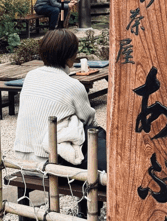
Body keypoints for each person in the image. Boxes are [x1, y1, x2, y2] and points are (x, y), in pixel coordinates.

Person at [14, 29, 107, 172]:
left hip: (22, 157)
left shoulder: (30, 76)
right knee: (92, 132)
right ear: (70, 56)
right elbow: (89, 121)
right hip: (49, 161)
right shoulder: (73, 85)